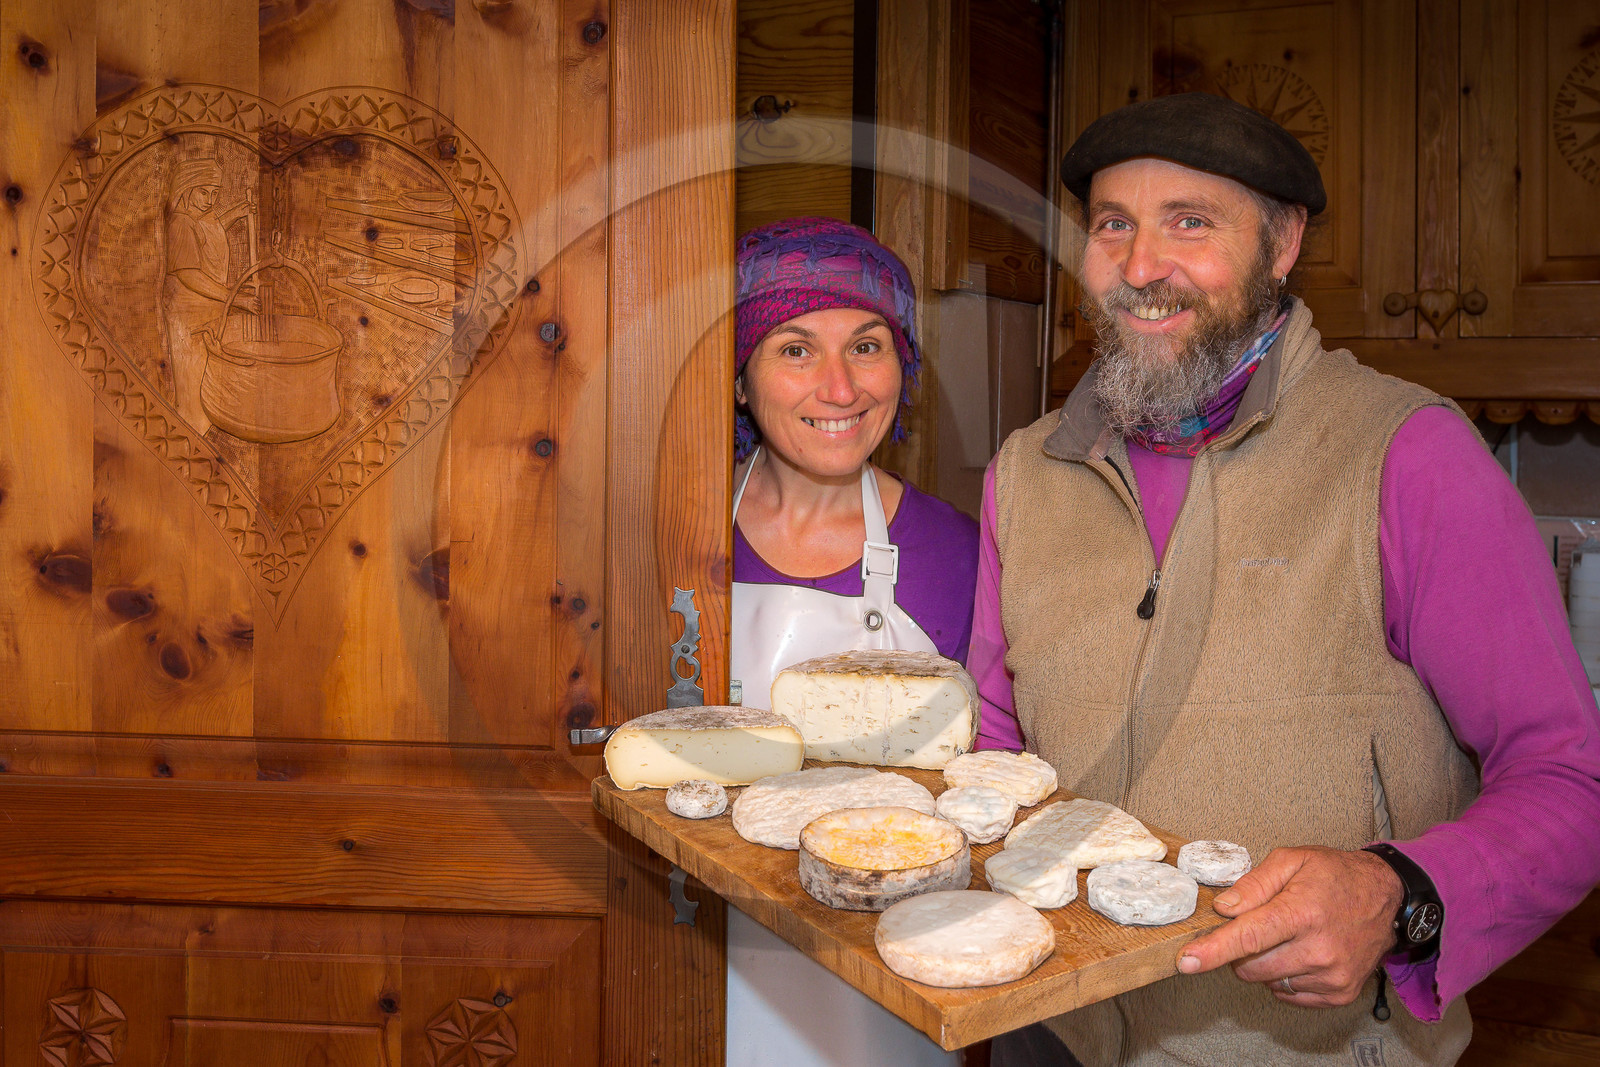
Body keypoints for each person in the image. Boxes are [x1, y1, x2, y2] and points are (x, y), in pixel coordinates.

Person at [971, 93, 1600, 1066]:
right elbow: (994, 746)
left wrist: (1399, 894)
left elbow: (1570, 777)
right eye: (1112, 226)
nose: (1141, 267)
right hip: (1048, 1032)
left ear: (1280, 243)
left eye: (1190, 222)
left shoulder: (1408, 454)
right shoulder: (1022, 474)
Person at [726, 216, 979, 1067]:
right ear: (741, 375)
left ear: (901, 363)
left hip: (879, 984)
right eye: (795, 349)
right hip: (690, 954)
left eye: (866, 345)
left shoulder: (957, 554)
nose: (839, 387)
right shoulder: (669, 536)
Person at [161, 157, 254, 436]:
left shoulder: (204, 217)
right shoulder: (179, 224)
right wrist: (234, 297)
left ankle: (202, 439)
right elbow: (191, 276)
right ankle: (189, 440)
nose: (210, 200)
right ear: (188, 188)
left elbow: (210, 232)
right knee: (193, 385)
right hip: (188, 316)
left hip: (211, 308)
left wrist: (236, 212)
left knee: (210, 382)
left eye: (215, 193)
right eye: (204, 192)